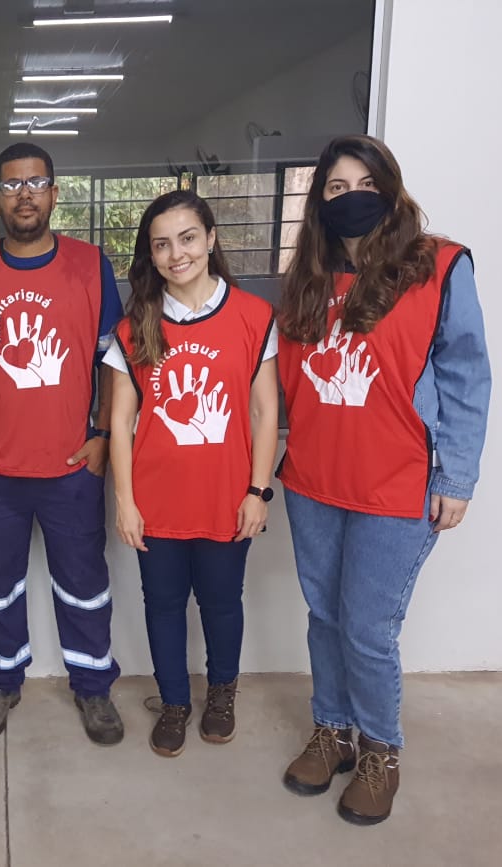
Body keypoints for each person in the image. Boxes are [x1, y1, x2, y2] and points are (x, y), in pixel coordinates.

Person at [275, 135, 491, 825]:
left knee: (368, 627)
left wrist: (457, 475)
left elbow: (466, 375)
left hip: (397, 485)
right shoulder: (307, 279)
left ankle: (379, 751)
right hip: (314, 480)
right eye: (335, 188)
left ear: (391, 189)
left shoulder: (439, 266)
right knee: (325, 615)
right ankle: (332, 730)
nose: (351, 198)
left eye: (364, 184)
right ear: (319, 202)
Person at [0, 142, 125, 745]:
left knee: (84, 584)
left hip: (72, 468)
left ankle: (93, 688)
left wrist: (101, 438)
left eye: (36, 183)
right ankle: (0, 684)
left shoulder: (90, 266)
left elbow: (114, 363)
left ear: (54, 194)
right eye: (12, 185)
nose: (25, 195)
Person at [105, 191, 278, 759]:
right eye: (161, 245)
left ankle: (222, 695)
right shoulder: (134, 328)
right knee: (162, 605)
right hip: (156, 503)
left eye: (187, 238)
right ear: (150, 256)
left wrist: (257, 491)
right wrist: (125, 501)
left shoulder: (254, 317)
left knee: (223, 603)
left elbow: (264, 411)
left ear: (210, 239)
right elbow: (121, 421)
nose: (176, 254)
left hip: (227, 499)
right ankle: (175, 702)